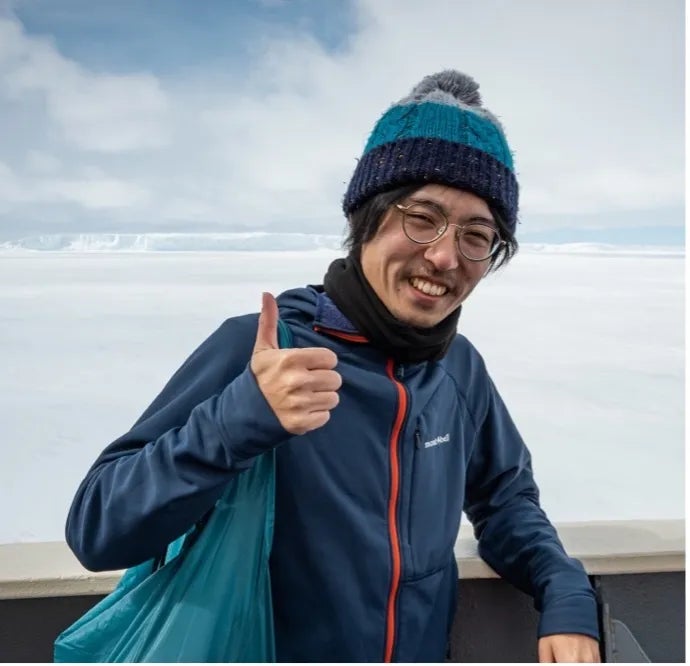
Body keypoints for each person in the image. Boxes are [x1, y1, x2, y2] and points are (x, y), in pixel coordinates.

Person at [65, 70, 601, 663]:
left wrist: (566, 590)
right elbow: (97, 529)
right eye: (422, 218)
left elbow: (505, 503)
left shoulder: (458, 368)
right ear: (366, 219)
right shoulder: (266, 350)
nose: (445, 256)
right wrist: (237, 420)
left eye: (477, 235)